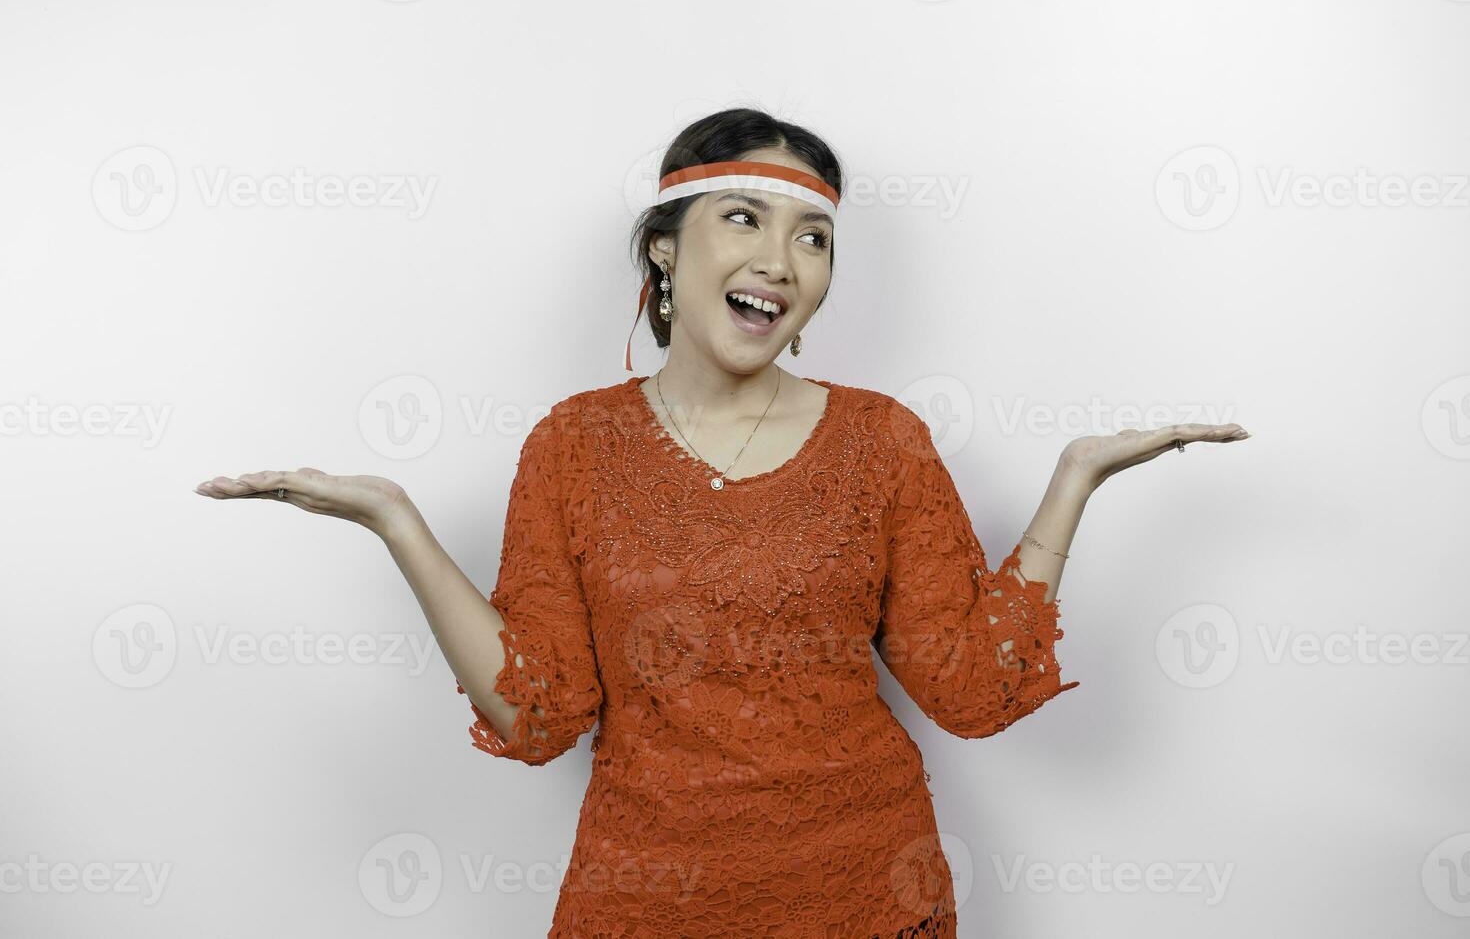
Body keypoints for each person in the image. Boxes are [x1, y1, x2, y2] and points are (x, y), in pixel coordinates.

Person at [194, 107, 1250, 937]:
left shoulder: (884, 440)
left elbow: (970, 690)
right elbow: (539, 714)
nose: (782, 261)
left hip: (867, 892)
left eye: (814, 237)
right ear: (663, 249)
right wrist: (398, 523)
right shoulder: (572, 445)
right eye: (743, 219)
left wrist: (1073, 482)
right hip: (645, 897)